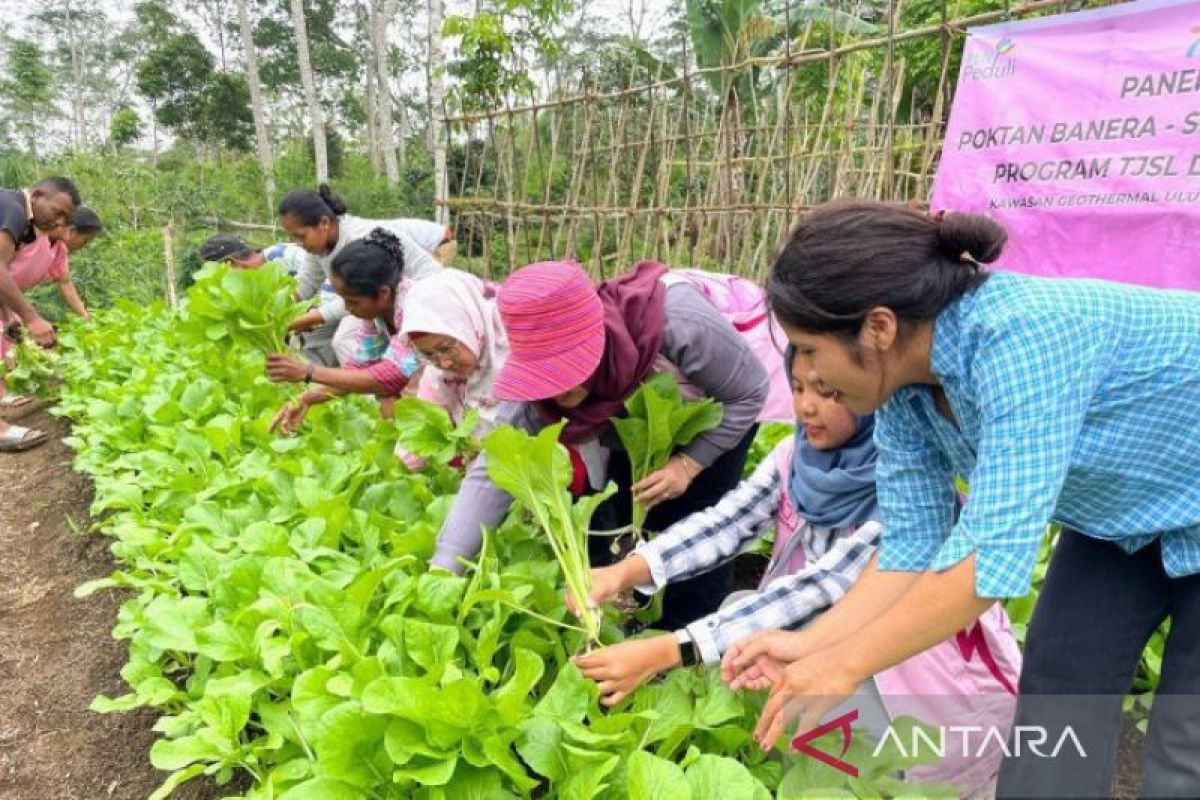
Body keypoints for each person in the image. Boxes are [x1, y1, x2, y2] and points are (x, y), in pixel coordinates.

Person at [722, 201, 1200, 799]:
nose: (809, 375)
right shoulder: (900, 388)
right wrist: (814, 643)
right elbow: (912, 546)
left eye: (811, 350)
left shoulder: (1022, 339)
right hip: (1126, 516)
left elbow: (985, 564)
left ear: (878, 328)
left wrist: (844, 665)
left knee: (1187, 746)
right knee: (1058, 696)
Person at [572, 347, 1020, 795]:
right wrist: (627, 571)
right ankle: (809, 769)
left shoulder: (907, 480)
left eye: (829, 392)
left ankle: (863, 781)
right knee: (746, 619)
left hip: (908, 669)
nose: (806, 405)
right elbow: (727, 523)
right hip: (824, 643)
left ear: (872, 395)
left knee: (858, 745)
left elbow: (819, 587)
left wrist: (666, 651)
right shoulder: (795, 455)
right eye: (799, 387)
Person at [431, 259, 770, 630]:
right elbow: (492, 471)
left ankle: (689, 639)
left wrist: (688, 464)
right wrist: (443, 571)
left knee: (697, 519)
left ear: (597, 343)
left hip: (721, 407)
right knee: (631, 511)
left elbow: (749, 393)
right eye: (546, 376)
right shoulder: (534, 397)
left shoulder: (680, 324)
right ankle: (635, 624)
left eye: (567, 370)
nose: (556, 391)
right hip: (641, 416)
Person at [267, 229, 439, 432]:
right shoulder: (377, 314)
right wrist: (307, 398)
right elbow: (358, 368)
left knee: (396, 393)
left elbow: (392, 375)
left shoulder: (415, 307)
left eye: (353, 302)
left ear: (383, 293)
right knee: (389, 395)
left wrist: (308, 372)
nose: (347, 309)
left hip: (471, 386)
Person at [277, 185, 443, 365]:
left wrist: (307, 318)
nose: (298, 243)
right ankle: (347, 383)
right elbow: (306, 283)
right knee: (329, 339)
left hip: (419, 298)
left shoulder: (359, 240)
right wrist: (277, 308)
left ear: (324, 223)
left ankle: (373, 383)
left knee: (347, 340)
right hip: (378, 301)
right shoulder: (318, 247)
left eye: (301, 236)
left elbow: (357, 298)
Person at [394, 268, 507, 469]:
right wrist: (397, 470)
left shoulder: (510, 347)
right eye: (428, 355)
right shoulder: (437, 374)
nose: (444, 363)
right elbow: (422, 425)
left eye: (446, 349)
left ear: (469, 326)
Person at [0, 177, 80, 452]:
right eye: (57, 212)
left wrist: (9, 315)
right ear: (37, 195)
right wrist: (31, 317)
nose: (59, 223)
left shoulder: (19, 217)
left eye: (65, 218)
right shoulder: (13, 209)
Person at [199, 233, 338, 365]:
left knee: (306, 357)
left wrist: (310, 316)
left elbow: (332, 278)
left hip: (337, 309)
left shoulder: (281, 254)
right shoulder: (251, 284)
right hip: (307, 323)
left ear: (229, 263)